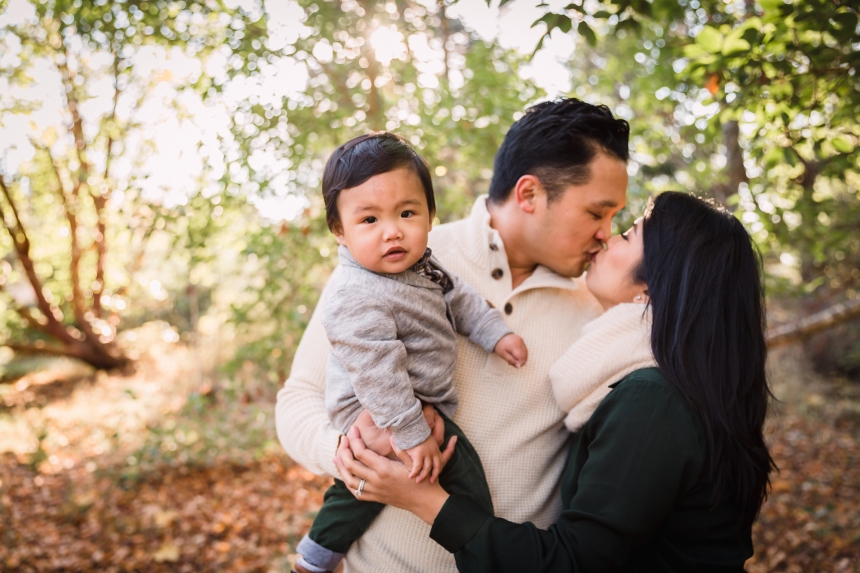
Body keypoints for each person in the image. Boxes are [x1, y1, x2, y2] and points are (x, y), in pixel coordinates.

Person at [334, 192, 776, 573]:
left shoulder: (654, 401)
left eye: (626, 234)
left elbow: (572, 563)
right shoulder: (660, 384)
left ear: (652, 288)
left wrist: (422, 499)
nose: (606, 235)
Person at [276, 98, 630, 572]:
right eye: (596, 213)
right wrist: (352, 456)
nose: (607, 235)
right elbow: (299, 398)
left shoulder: (597, 315)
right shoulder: (387, 264)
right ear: (528, 195)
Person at [294, 132, 528, 573]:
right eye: (369, 220)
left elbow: (460, 301)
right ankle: (316, 558)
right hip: (373, 407)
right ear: (339, 231)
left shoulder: (425, 266)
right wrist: (410, 431)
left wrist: (496, 334)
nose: (393, 231)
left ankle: (479, 545)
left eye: (407, 213)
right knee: (388, 476)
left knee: (387, 479)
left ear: (429, 216)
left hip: (413, 405)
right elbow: (376, 372)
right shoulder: (354, 292)